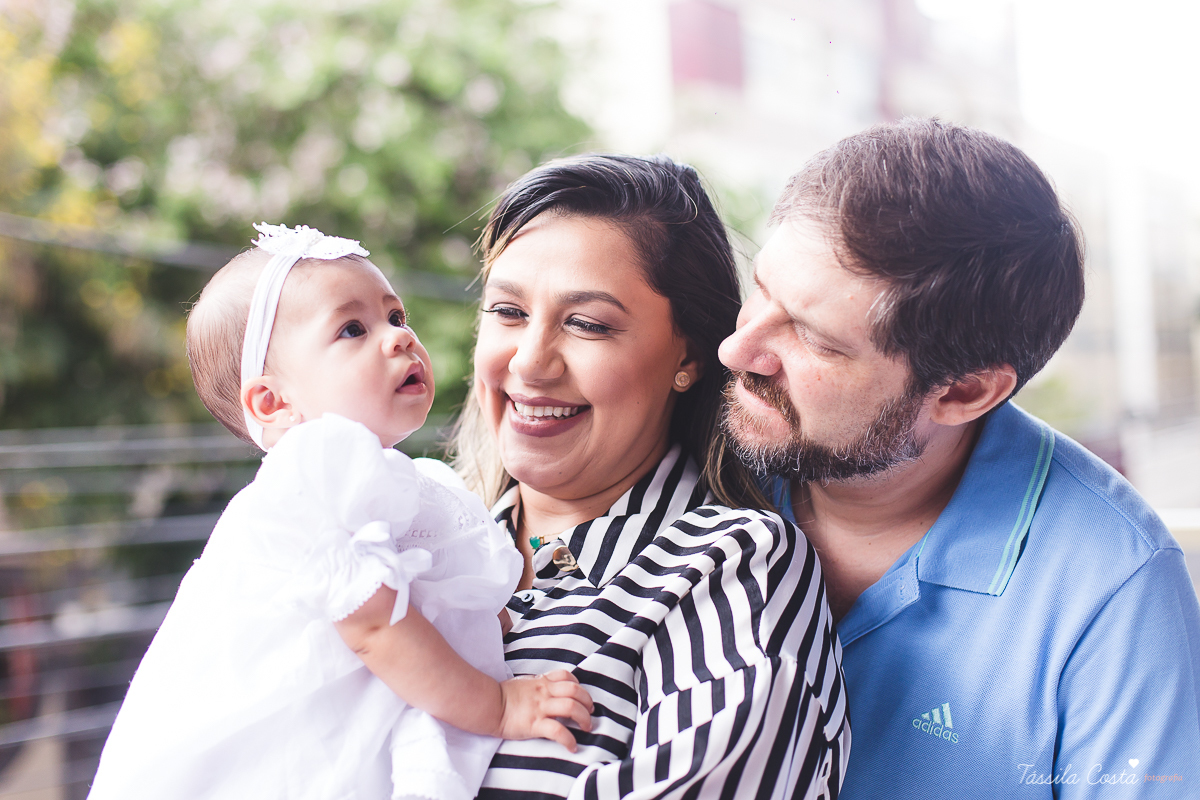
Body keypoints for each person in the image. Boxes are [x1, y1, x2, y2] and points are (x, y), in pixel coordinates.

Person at [718, 118, 1200, 798]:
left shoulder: (1114, 590)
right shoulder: (706, 451)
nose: (737, 352)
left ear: (966, 391)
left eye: (816, 341)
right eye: (760, 289)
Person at [88, 224, 593, 800]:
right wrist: (498, 705)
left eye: (396, 316)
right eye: (353, 328)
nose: (399, 338)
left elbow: (423, 597)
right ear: (274, 403)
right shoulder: (318, 471)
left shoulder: (410, 480)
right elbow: (375, 623)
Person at [452, 154, 850, 800]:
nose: (529, 363)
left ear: (688, 355)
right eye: (507, 311)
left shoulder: (727, 565)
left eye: (587, 324)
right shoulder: (419, 547)